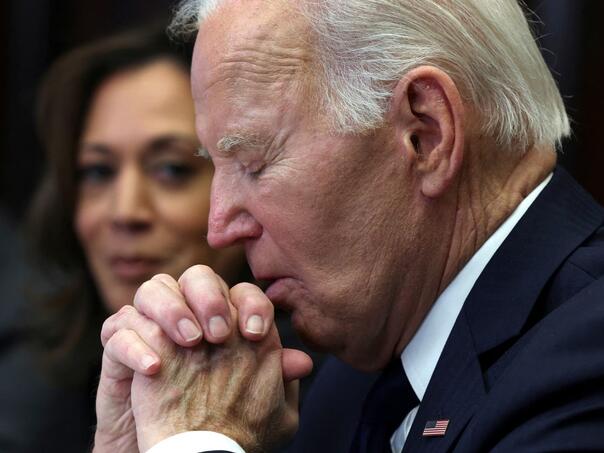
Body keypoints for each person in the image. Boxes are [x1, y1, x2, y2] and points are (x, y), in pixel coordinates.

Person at [94, 1, 604, 452]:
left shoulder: (586, 358)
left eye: (253, 164)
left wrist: (195, 440)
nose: (219, 228)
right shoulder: (344, 388)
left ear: (425, 134)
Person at [0, 27, 249, 453]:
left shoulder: (328, 393)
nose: (125, 211)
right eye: (98, 171)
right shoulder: (27, 402)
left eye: (171, 169)